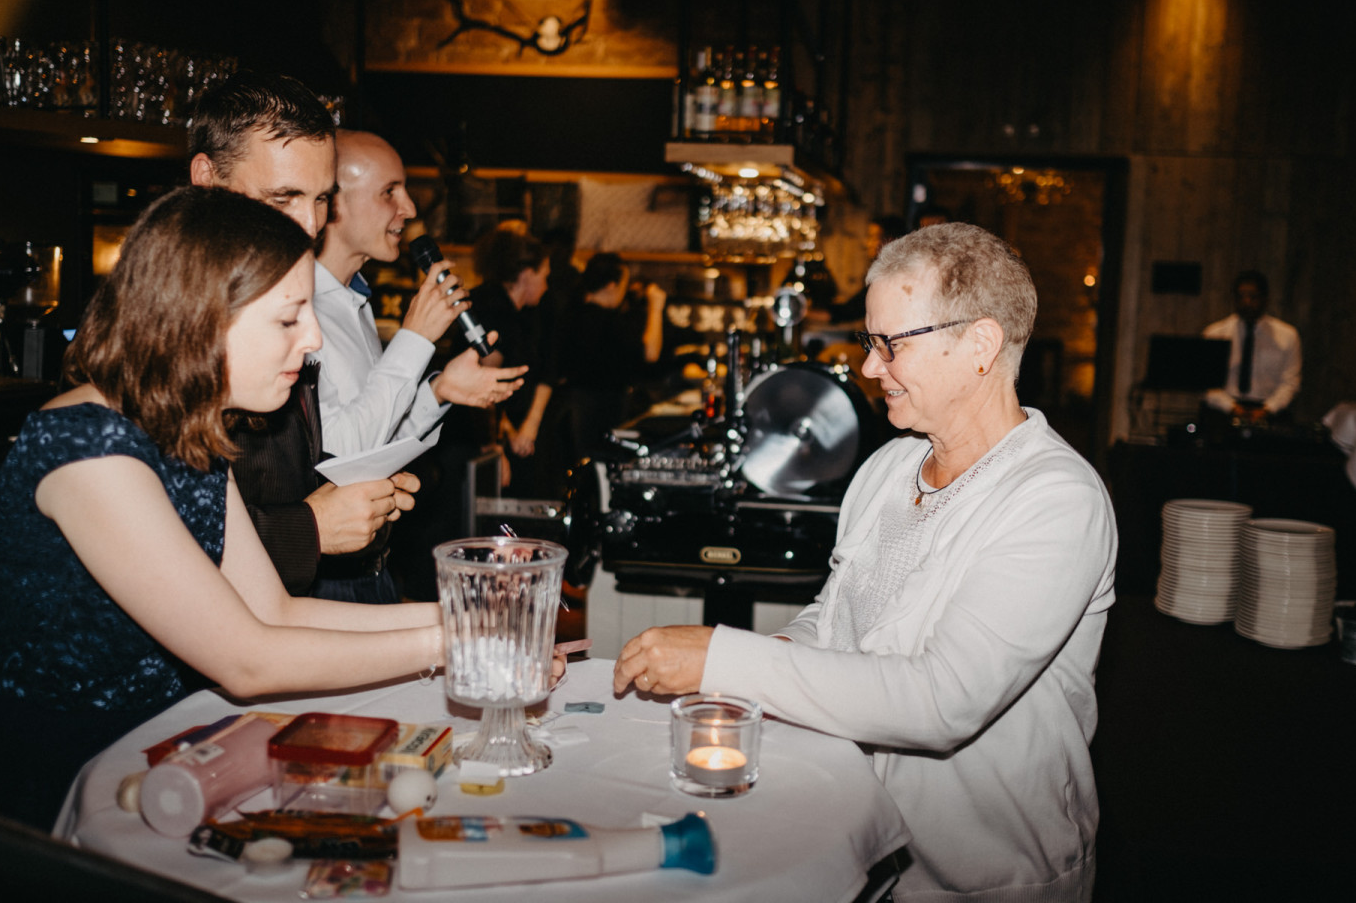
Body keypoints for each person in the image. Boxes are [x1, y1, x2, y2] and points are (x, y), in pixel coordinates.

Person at [0, 187, 499, 832]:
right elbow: (247, 659)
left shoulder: (186, 430)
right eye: (289, 319)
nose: (312, 341)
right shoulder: (86, 449)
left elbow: (274, 609)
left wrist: (479, 610)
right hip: (41, 802)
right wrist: (461, 642)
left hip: (166, 767)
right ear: (200, 317)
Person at [614, 223, 1117, 901]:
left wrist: (722, 658)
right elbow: (836, 616)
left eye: (890, 344)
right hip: (860, 848)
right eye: (868, 342)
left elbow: (943, 701)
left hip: (986, 876)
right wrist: (751, 678)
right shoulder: (888, 466)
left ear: (980, 345)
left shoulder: (1058, 500)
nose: (871, 367)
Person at [188, 73, 417, 599]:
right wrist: (313, 527)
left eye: (320, 200)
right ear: (206, 177)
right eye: (283, 197)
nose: (309, 226)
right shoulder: (167, 327)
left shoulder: (269, 298)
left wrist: (351, 500)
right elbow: (170, 555)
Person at [314, 129, 525, 460]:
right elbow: (334, 455)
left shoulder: (356, 302)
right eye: (389, 192)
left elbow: (375, 438)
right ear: (334, 202)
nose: (410, 208)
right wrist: (415, 337)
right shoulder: (298, 309)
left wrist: (438, 391)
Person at [468, 222, 555, 495]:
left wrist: (521, 428)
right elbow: (482, 386)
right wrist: (495, 445)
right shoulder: (492, 309)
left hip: (508, 431)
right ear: (527, 274)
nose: (546, 285)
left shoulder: (523, 312)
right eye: (544, 276)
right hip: (475, 438)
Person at [561, 252, 665, 460]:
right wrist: (656, 307)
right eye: (624, 284)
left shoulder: (571, 312)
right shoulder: (608, 321)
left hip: (572, 409)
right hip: (601, 412)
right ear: (611, 285)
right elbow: (651, 353)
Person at [1202, 270, 1302, 422]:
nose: (1246, 302)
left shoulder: (1287, 336)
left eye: (1253, 297)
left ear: (1265, 299)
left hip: (1268, 408)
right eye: (1241, 297)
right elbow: (1207, 383)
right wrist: (1231, 407)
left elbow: (1290, 382)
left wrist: (1268, 409)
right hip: (1224, 408)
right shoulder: (1215, 334)